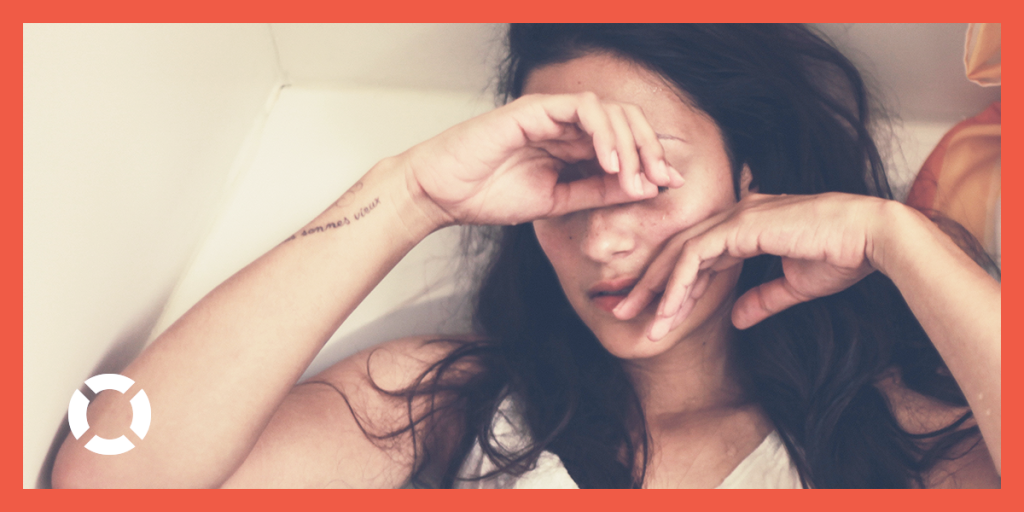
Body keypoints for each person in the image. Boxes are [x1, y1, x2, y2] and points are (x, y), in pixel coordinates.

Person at [51, 24, 1001, 489]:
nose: (604, 234)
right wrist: (408, 195)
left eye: (651, 176)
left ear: (749, 178)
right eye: (568, 181)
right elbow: (99, 472)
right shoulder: (438, 403)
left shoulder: (893, 432)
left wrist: (895, 238)